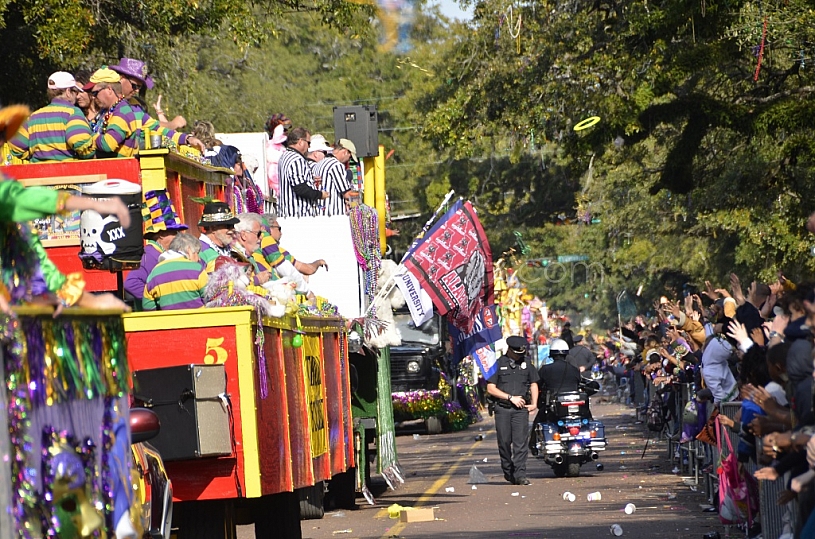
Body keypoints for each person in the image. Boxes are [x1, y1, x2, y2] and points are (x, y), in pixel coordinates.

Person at [88, 67, 205, 157]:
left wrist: (187, 139)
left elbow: (159, 130)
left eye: (139, 87)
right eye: (134, 86)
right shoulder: (104, 107)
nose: (136, 90)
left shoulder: (133, 109)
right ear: (121, 78)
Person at [486, 335, 539, 485]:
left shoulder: (527, 363)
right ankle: (508, 470)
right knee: (504, 441)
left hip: (520, 409)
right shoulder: (498, 364)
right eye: (517, 353)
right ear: (510, 350)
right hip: (503, 408)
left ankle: (520, 474)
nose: (519, 356)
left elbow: (534, 383)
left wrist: (534, 403)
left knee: (520, 443)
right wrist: (510, 397)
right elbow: (491, 388)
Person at [8, 71, 95, 162]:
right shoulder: (72, 113)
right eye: (75, 92)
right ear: (68, 92)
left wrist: (31, 155)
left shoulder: (34, 116)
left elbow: (16, 145)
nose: (77, 96)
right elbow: (81, 143)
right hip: (66, 173)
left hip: (38, 173)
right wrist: (90, 151)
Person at [124, 190, 188, 307]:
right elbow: (131, 283)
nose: (178, 236)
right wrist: (156, 300)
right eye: (174, 232)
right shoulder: (148, 255)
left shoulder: (162, 253)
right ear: (161, 235)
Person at [142, 233, 208, 310]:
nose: (199, 259)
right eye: (197, 253)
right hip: (198, 320)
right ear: (189, 251)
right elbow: (210, 298)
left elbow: (148, 307)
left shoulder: (154, 273)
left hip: (167, 321)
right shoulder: (197, 270)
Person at [277, 127, 328, 217]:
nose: (309, 147)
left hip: (287, 212)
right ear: (300, 141)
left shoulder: (284, 156)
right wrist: (320, 194)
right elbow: (300, 188)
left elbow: (292, 179)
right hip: (299, 213)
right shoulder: (296, 159)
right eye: (308, 143)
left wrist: (310, 179)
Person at [537, 338, 583, 419]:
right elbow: (579, 382)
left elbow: (537, 384)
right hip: (573, 404)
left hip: (552, 404)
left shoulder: (545, 369)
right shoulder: (574, 369)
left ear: (551, 354)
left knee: (538, 422)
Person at [314, 139, 355, 216]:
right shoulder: (336, 165)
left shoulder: (319, 164)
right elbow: (347, 193)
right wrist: (359, 204)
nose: (348, 161)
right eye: (350, 157)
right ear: (345, 152)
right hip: (333, 215)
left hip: (319, 212)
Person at [197, 201, 239, 273]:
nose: (232, 230)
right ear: (213, 228)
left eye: (233, 226)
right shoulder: (199, 251)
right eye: (228, 226)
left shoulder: (231, 249)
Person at [232, 213, 273, 284]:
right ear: (244, 235)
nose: (261, 237)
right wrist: (257, 280)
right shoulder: (234, 256)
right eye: (258, 233)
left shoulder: (248, 255)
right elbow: (234, 286)